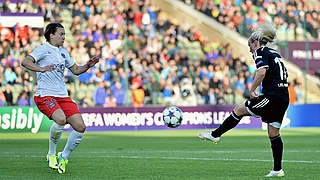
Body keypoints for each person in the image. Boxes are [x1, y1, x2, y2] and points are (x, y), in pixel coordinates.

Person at [198, 22, 289, 177]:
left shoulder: (260, 51)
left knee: (239, 109)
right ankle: (277, 170)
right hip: (283, 96)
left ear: (256, 42)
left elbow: (261, 72)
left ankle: (215, 134)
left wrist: (252, 89)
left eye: (250, 45)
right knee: (273, 133)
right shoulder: (275, 54)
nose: (250, 49)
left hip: (272, 96)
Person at [21, 22, 99, 174]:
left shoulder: (63, 52)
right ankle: (51, 154)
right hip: (45, 94)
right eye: (61, 34)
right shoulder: (43, 49)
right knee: (61, 119)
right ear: (51, 35)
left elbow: (76, 70)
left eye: (64, 34)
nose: (64, 37)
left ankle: (63, 157)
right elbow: (26, 61)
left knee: (80, 127)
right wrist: (41, 68)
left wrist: (88, 65)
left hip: (62, 96)